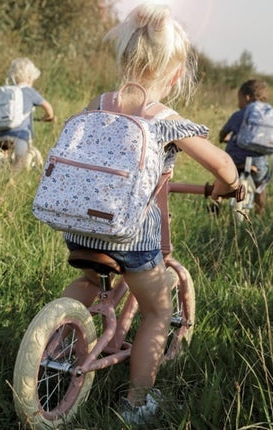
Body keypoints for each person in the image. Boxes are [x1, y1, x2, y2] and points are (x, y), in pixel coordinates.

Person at [60, 3, 239, 425]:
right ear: (176, 75)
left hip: (81, 227)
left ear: (123, 59)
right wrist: (231, 186)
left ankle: (57, 335)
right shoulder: (164, 118)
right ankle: (137, 403)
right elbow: (223, 166)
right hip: (134, 239)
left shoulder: (99, 102)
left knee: (88, 280)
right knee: (158, 310)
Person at [219, 79, 270, 214]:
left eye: (239, 99)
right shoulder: (268, 115)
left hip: (235, 159)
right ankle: (260, 210)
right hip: (259, 162)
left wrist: (222, 138)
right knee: (259, 186)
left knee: (221, 176)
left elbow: (224, 132)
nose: (238, 103)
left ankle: (216, 202)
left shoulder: (239, 114)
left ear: (246, 98)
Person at [0, 57, 55, 172]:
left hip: (2, 132)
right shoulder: (30, 92)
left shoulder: (9, 91)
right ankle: (11, 182)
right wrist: (50, 116)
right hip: (20, 135)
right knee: (19, 161)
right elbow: (48, 107)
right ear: (30, 77)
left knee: (5, 155)